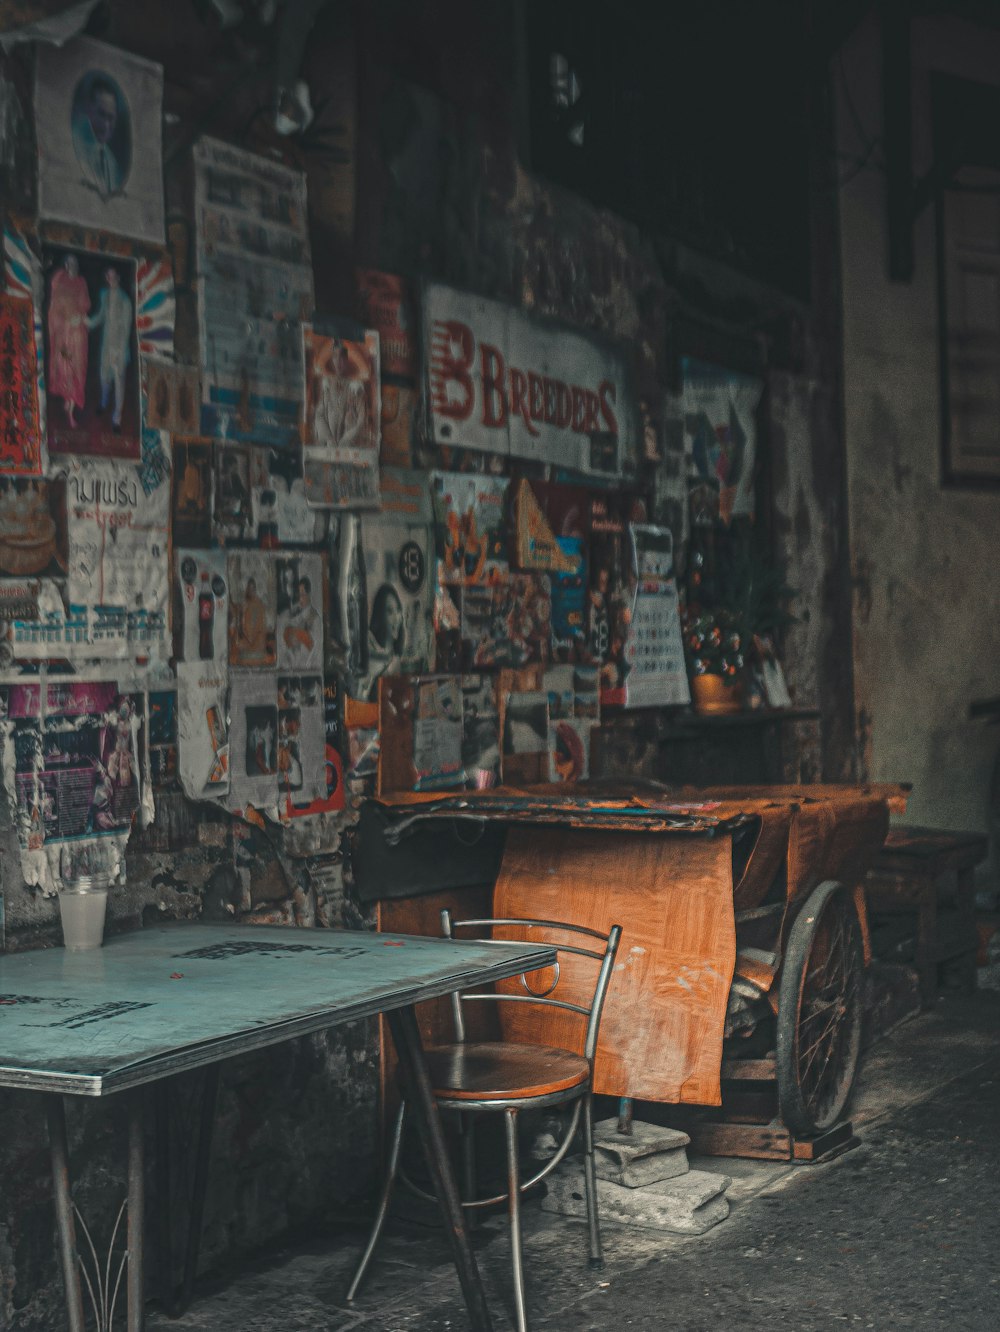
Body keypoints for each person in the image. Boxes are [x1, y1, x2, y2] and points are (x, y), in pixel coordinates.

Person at [85, 267, 132, 432]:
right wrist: (87, 322)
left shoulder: (125, 301)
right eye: (108, 276)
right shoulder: (104, 295)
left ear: (118, 278)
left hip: (119, 349)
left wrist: (119, 352)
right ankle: (104, 402)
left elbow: (126, 330)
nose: (111, 279)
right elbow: (99, 317)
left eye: (113, 276)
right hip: (106, 347)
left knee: (119, 383)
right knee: (104, 378)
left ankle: (117, 418)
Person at [47, 254, 90, 428]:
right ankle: (69, 402)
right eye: (70, 262)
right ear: (66, 264)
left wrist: (78, 318)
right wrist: (64, 322)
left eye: (75, 262)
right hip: (63, 336)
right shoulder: (59, 280)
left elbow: (85, 306)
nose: (73, 265)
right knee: (66, 367)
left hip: (78, 335)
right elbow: (54, 309)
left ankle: (71, 404)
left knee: (77, 369)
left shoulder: (81, 282)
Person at [72, 75, 126, 199]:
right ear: (89, 110)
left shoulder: (112, 162)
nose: (106, 125)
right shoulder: (75, 148)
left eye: (111, 117)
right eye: (101, 114)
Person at [365, 583, 405, 697]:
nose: (396, 617)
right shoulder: (369, 649)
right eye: (389, 611)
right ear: (380, 615)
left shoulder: (396, 659)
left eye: (398, 610)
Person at [279, 576, 321, 663]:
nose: (300, 599)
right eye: (299, 595)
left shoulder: (315, 618)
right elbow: (287, 624)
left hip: (306, 659)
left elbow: (315, 646)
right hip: (292, 656)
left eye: (302, 595)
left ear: (309, 595)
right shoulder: (295, 610)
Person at [232, 576, 269, 664]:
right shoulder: (243, 605)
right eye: (248, 589)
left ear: (255, 589)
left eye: (252, 589)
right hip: (246, 649)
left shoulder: (259, 606)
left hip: (256, 648)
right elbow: (240, 628)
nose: (249, 591)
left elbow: (258, 627)